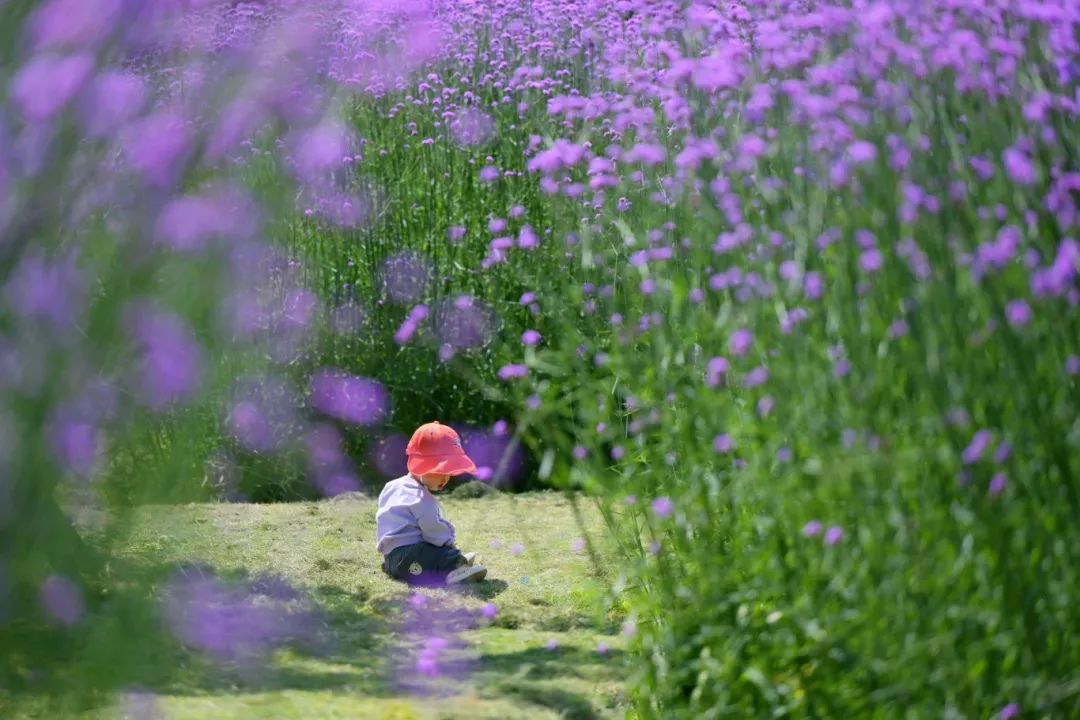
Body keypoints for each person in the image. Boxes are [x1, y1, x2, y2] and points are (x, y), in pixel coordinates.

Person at [375, 421, 488, 585]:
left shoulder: (391, 486)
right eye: (441, 470)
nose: (446, 478)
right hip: (411, 558)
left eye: (449, 473)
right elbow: (435, 532)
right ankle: (455, 566)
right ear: (423, 466)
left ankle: (448, 561)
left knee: (427, 551)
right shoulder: (421, 498)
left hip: (391, 560)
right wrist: (450, 546)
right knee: (435, 551)